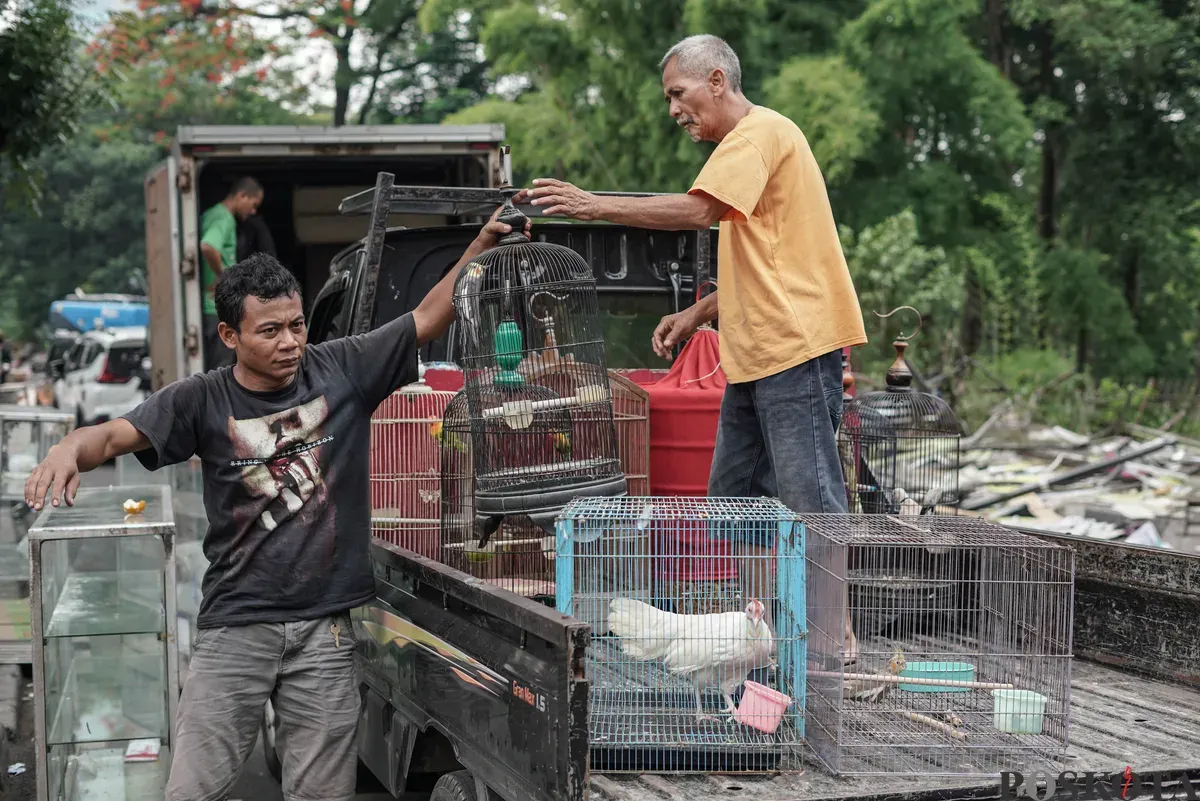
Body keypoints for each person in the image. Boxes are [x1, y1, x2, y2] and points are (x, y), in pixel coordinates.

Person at [24, 209, 530, 801]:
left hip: (326, 633)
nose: (290, 341)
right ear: (230, 336)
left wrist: (480, 245)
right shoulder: (202, 400)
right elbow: (110, 437)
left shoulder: (343, 368)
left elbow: (424, 317)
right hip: (236, 625)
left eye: (296, 325)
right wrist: (66, 448)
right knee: (190, 790)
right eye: (269, 331)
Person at [516, 34, 867, 662]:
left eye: (678, 95)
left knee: (811, 498)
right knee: (736, 497)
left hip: (797, 346)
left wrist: (594, 206)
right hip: (754, 354)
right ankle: (772, 634)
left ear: (715, 81)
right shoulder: (745, 145)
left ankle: (833, 641)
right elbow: (760, 251)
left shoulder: (758, 135)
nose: (674, 110)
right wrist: (698, 312)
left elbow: (700, 211)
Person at [201, 176, 264, 371]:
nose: (253, 212)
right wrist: (224, 277)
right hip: (215, 309)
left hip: (209, 308)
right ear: (241, 195)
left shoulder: (211, 215)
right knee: (221, 372)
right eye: (253, 205)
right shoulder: (224, 217)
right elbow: (208, 246)